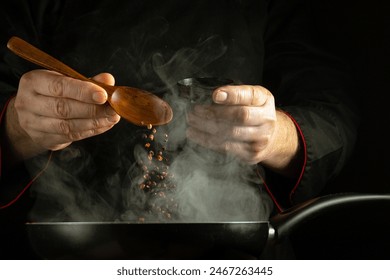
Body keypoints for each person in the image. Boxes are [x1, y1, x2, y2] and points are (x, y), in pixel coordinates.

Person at [0, 0, 359, 258]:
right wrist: (17, 126)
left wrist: (275, 135)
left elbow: (332, 114)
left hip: (231, 255)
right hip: (65, 248)